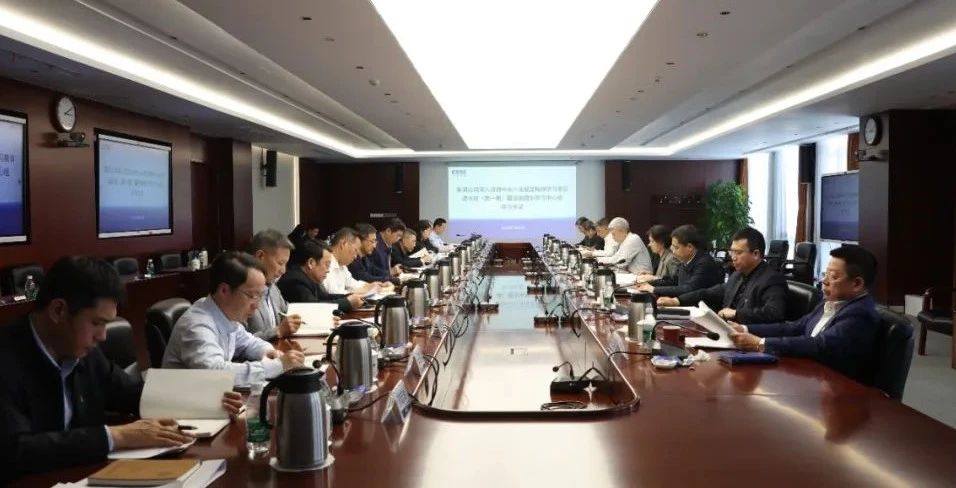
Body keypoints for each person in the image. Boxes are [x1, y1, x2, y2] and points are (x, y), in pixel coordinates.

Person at [0, 256, 242, 482]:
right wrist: (116, 436)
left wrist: (209, 399)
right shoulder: (7, 358)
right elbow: (15, 450)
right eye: (97, 323)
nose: (102, 336)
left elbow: (132, 393)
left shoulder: (83, 353)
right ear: (58, 311)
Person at [728, 245, 880, 383]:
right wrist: (745, 329)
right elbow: (795, 327)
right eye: (825, 274)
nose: (824, 281)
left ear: (856, 284)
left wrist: (760, 343)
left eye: (833, 277)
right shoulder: (831, 301)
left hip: (839, 390)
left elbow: (820, 345)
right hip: (812, 377)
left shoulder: (860, 314)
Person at [163, 252, 305, 386]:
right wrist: (277, 366)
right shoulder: (197, 326)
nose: (257, 305)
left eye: (260, 296)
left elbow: (247, 342)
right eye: (252, 296)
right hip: (182, 401)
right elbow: (216, 373)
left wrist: (267, 351)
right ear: (224, 290)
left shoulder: (223, 313)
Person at [658, 227, 786, 324]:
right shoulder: (737, 276)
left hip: (750, 338)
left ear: (756, 254)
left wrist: (736, 314)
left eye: (738, 252)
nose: (733, 257)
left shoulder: (771, 279)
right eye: (732, 252)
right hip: (726, 330)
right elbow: (709, 293)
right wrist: (677, 300)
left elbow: (774, 313)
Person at [245, 230, 301, 341]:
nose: (283, 270)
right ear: (260, 256)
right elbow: (238, 342)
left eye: (286, 264)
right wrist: (277, 331)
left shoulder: (272, 286)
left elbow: (287, 312)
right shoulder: (239, 290)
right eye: (280, 263)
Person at [277, 239, 363, 312]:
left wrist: (349, 297)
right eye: (327, 265)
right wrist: (347, 303)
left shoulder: (310, 278)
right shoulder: (295, 281)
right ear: (311, 263)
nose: (328, 270)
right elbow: (314, 308)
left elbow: (326, 297)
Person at [636, 225, 723, 297]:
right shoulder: (685, 260)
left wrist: (654, 289)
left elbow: (689, 288)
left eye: (676, 247)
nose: (673, 251)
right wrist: (648, 284)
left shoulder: (704, 263)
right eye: (672, 247)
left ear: (689, 247)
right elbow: (673, 281)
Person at [325, 227, 384, 296]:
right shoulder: (326, 262)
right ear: (343, 244)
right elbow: (334, 294)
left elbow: (352, 283)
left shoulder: (342, 265)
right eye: (355, 250)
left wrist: (370, 285)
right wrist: (360, 291)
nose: (356, 256)